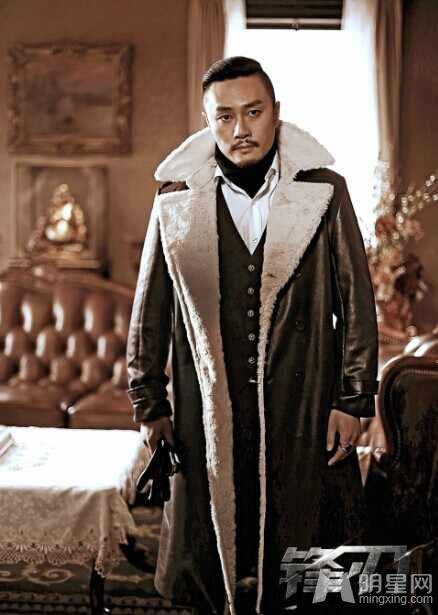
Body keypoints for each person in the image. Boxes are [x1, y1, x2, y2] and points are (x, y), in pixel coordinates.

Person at [126, 56, 379, 615]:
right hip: (205, 401)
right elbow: (150, 310)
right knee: (210, 551)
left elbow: (356, 301)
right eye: (225, 116)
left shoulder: (324, 191)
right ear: (208, 122)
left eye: (253, 112)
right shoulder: (174, 199)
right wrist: (149, 404)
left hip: (302, 398)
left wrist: (353, 399)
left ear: (276, 113)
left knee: (306, 544)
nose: (240, 128)